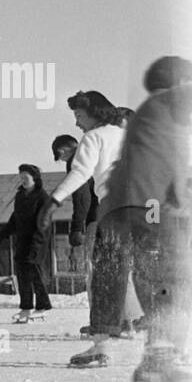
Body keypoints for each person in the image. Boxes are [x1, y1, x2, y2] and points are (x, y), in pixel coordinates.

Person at [95, 56, 192, 382]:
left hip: (137, 204)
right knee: (174, 274)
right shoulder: (164, 102)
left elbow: (171, 164)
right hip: (147, 204)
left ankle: (159, 358)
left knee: (164, 274)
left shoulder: (160, 116)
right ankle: (160, 360)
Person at [38, 90, 125, 367]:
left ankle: (100, 345)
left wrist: (53, 201)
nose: (76, 123)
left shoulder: (94, 137)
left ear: (94, 113)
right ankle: (165, 346)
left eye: (79, 116)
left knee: (107, 275)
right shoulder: (128, 133)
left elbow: (80, 172)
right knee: (148, 271)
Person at [0, 165, 53, 322]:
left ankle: (42, 306)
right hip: (22, 241)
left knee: (35, 273)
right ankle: (26, 307)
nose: (23, 181)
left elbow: (44, 223)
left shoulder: (42, 197)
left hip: (37, 241)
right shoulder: (20, 196)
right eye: (21, 178)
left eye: (26, 178)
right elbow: (15, 219)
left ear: (35, 178)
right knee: (22, 274)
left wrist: (37, 243)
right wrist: (2, 235)